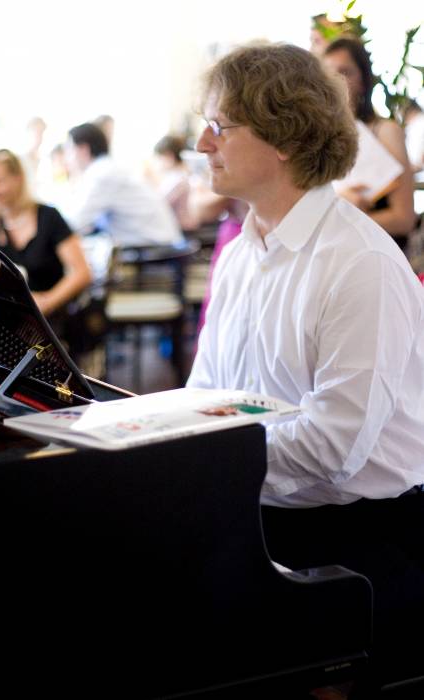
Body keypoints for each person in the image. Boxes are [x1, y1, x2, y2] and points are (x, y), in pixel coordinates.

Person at [187, 43, 424, 694]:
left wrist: (207, 453)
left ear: (283, 136)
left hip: (357, 544)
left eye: (219, 126)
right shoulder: (241, 255)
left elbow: (332, 446)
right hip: (261, 518)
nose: (203, 144)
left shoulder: (359, 263)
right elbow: (203, 395)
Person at [323, 37, 416, 250]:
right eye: (328, 72)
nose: (335, 80)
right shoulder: (320, 136)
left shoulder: (385, 131)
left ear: (363, 80)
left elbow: (404, 219)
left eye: (344, 71)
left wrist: (343, 215)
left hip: (380, 252)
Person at [0, 149, 92, 319]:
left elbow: (81, 272)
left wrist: (47, 301)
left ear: (19, 178)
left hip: (52, 321)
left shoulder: (49, 217)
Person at [63, 122, 182, 247]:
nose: (67, 158)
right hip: (158, 243)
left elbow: (75, 223)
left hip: (154, 251)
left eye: (69, 150)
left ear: (83, 149)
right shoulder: (107, 168)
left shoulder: (101, 174)